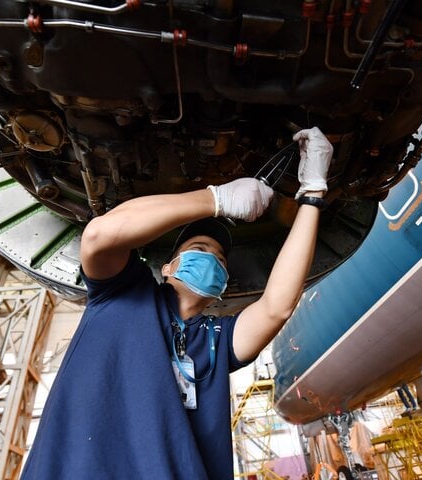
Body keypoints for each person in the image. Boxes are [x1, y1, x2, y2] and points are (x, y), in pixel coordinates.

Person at [20, 127, 333, 479]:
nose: (212, 259)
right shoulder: (119, 294)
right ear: (167, 268)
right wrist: (216, 199)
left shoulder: (219, 339)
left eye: (220, 260)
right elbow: (99, 235)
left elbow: (276, 306)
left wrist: (313, 193)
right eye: (200, 250)